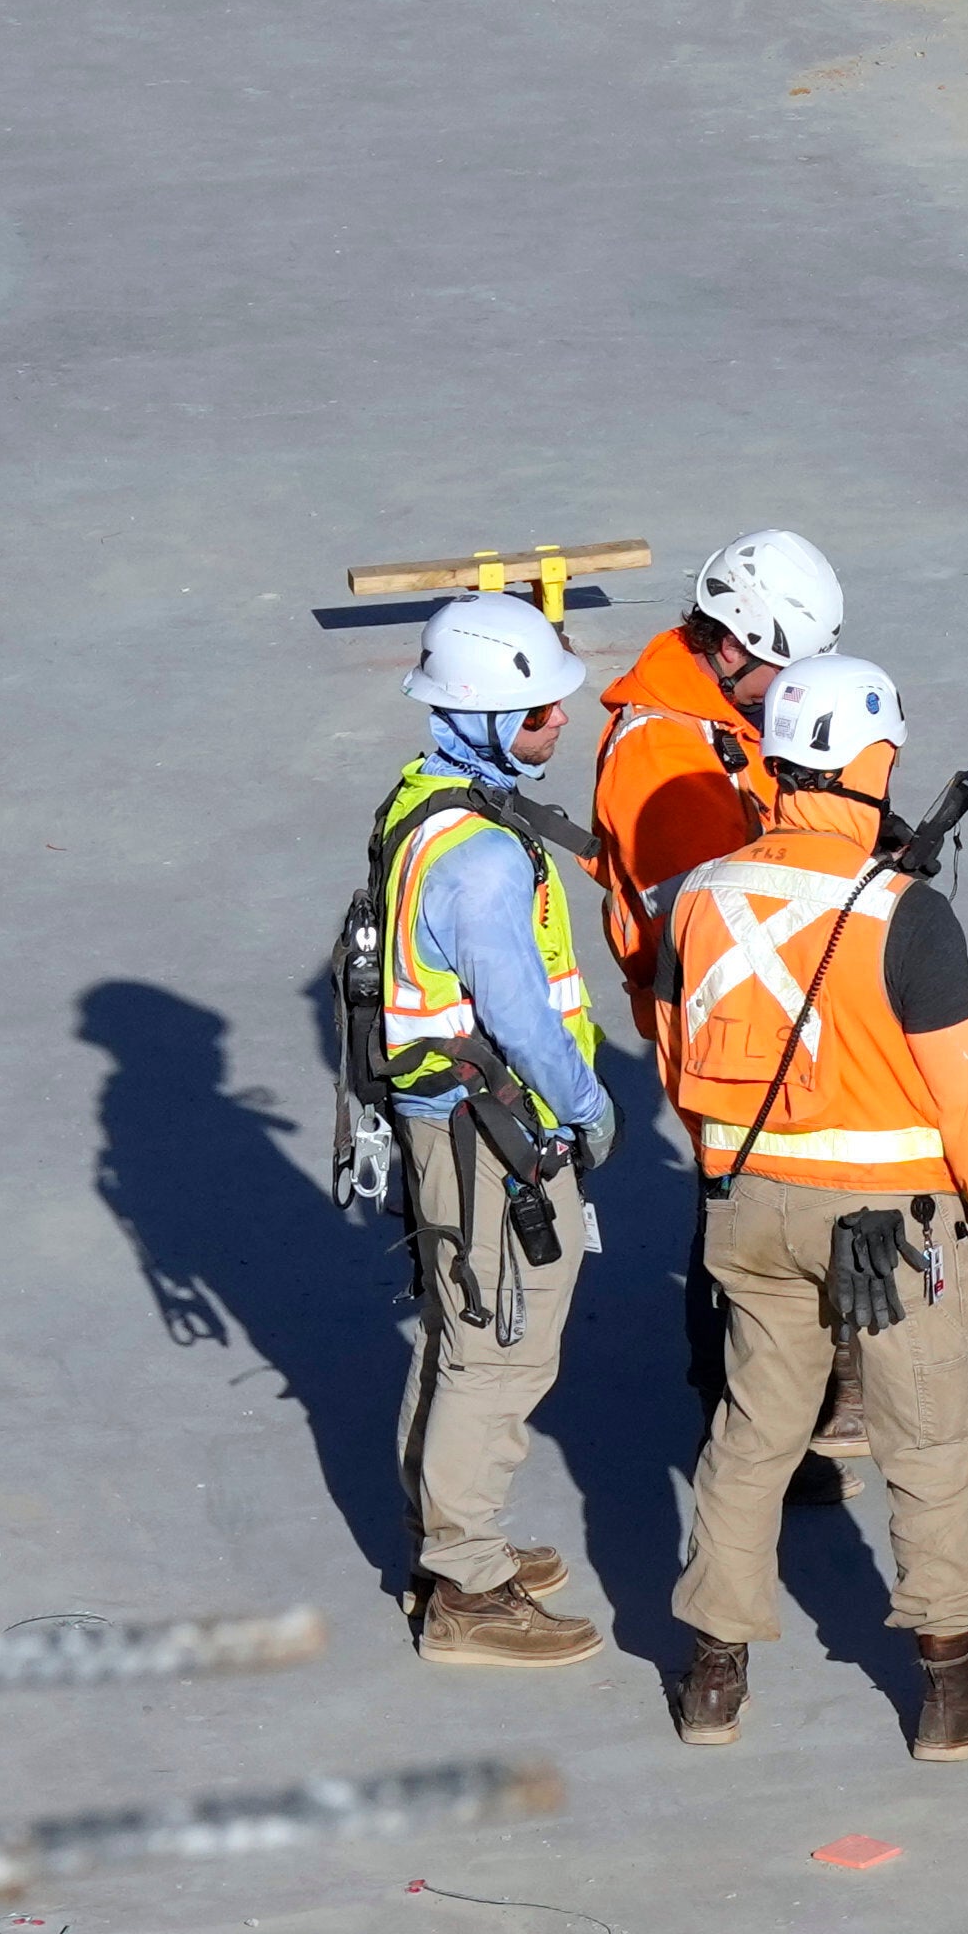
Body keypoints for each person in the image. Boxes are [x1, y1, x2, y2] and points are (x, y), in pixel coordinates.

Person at [653, 657, 968, 1760]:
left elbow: (680, 1062)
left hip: (749, 1205)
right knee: (938, 1439)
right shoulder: (907, 913)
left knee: (752, 1431)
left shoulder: (701, 894)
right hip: (895, 1227)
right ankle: (952, 1687)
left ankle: (714, 1675)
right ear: (872, 760)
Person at [358, 594, 626, 1670]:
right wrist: (592, 1110)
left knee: (458, 1328)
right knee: (500, 1349)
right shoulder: (480, 857)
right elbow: (521, 1016)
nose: (559, 725)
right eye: (536, 715)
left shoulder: (425, 800)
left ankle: (448, 1540)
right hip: (494, 1134)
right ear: (477, 717)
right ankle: (465, 1583)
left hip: (448, 1126)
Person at [591, 528, 837, 927]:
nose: (794, 690)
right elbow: (710, 923)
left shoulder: (733, 713)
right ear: (732, 648)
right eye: (788, 671)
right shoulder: (661, 755)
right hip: (717, 981)